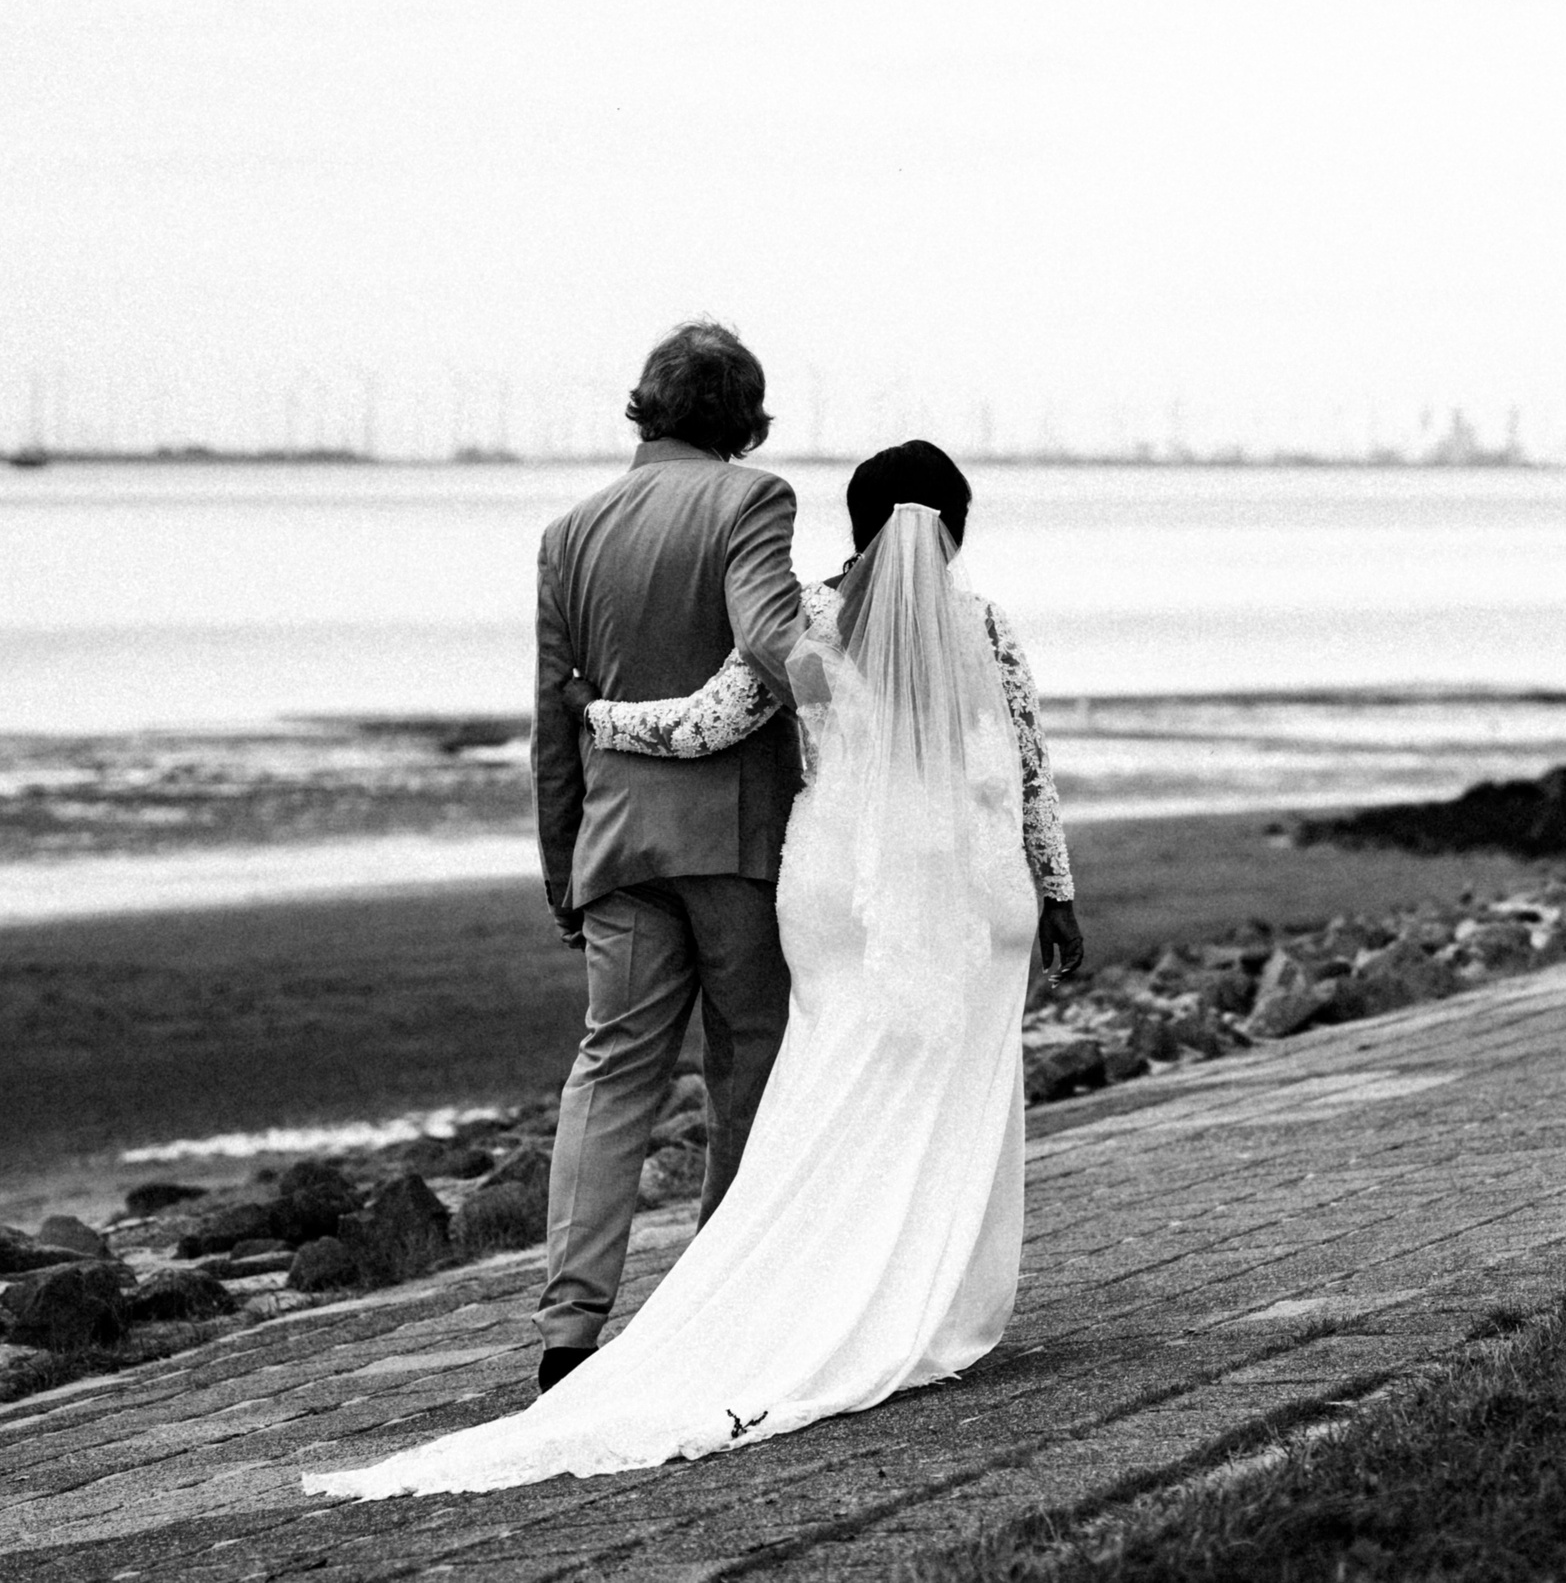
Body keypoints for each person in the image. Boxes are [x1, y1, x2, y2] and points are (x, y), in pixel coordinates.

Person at [303, 439, 1083, 1498]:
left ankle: (784, 1285)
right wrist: (1059, 893)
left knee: (826, 1092)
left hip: (840, 898)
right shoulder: (983, 626)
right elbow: (1029, 772)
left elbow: (707, 725)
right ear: (958, 527)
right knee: (948, 1101)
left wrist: (595, 714)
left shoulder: (810, 620)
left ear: (856, 526)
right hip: (974, 898)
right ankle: (925, 1301)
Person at [526, 320, 807, 1398]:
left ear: (648, 405)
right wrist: (854, 684)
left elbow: (554, 722)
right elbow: (771, 640)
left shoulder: (569, 533)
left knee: (611, 1072)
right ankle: (720, 1304)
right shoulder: (751, 499)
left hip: (617, 845)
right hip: (736, 842)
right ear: (745, 419)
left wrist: (563, 865)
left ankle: (568, 1330)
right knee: (748, 1064)